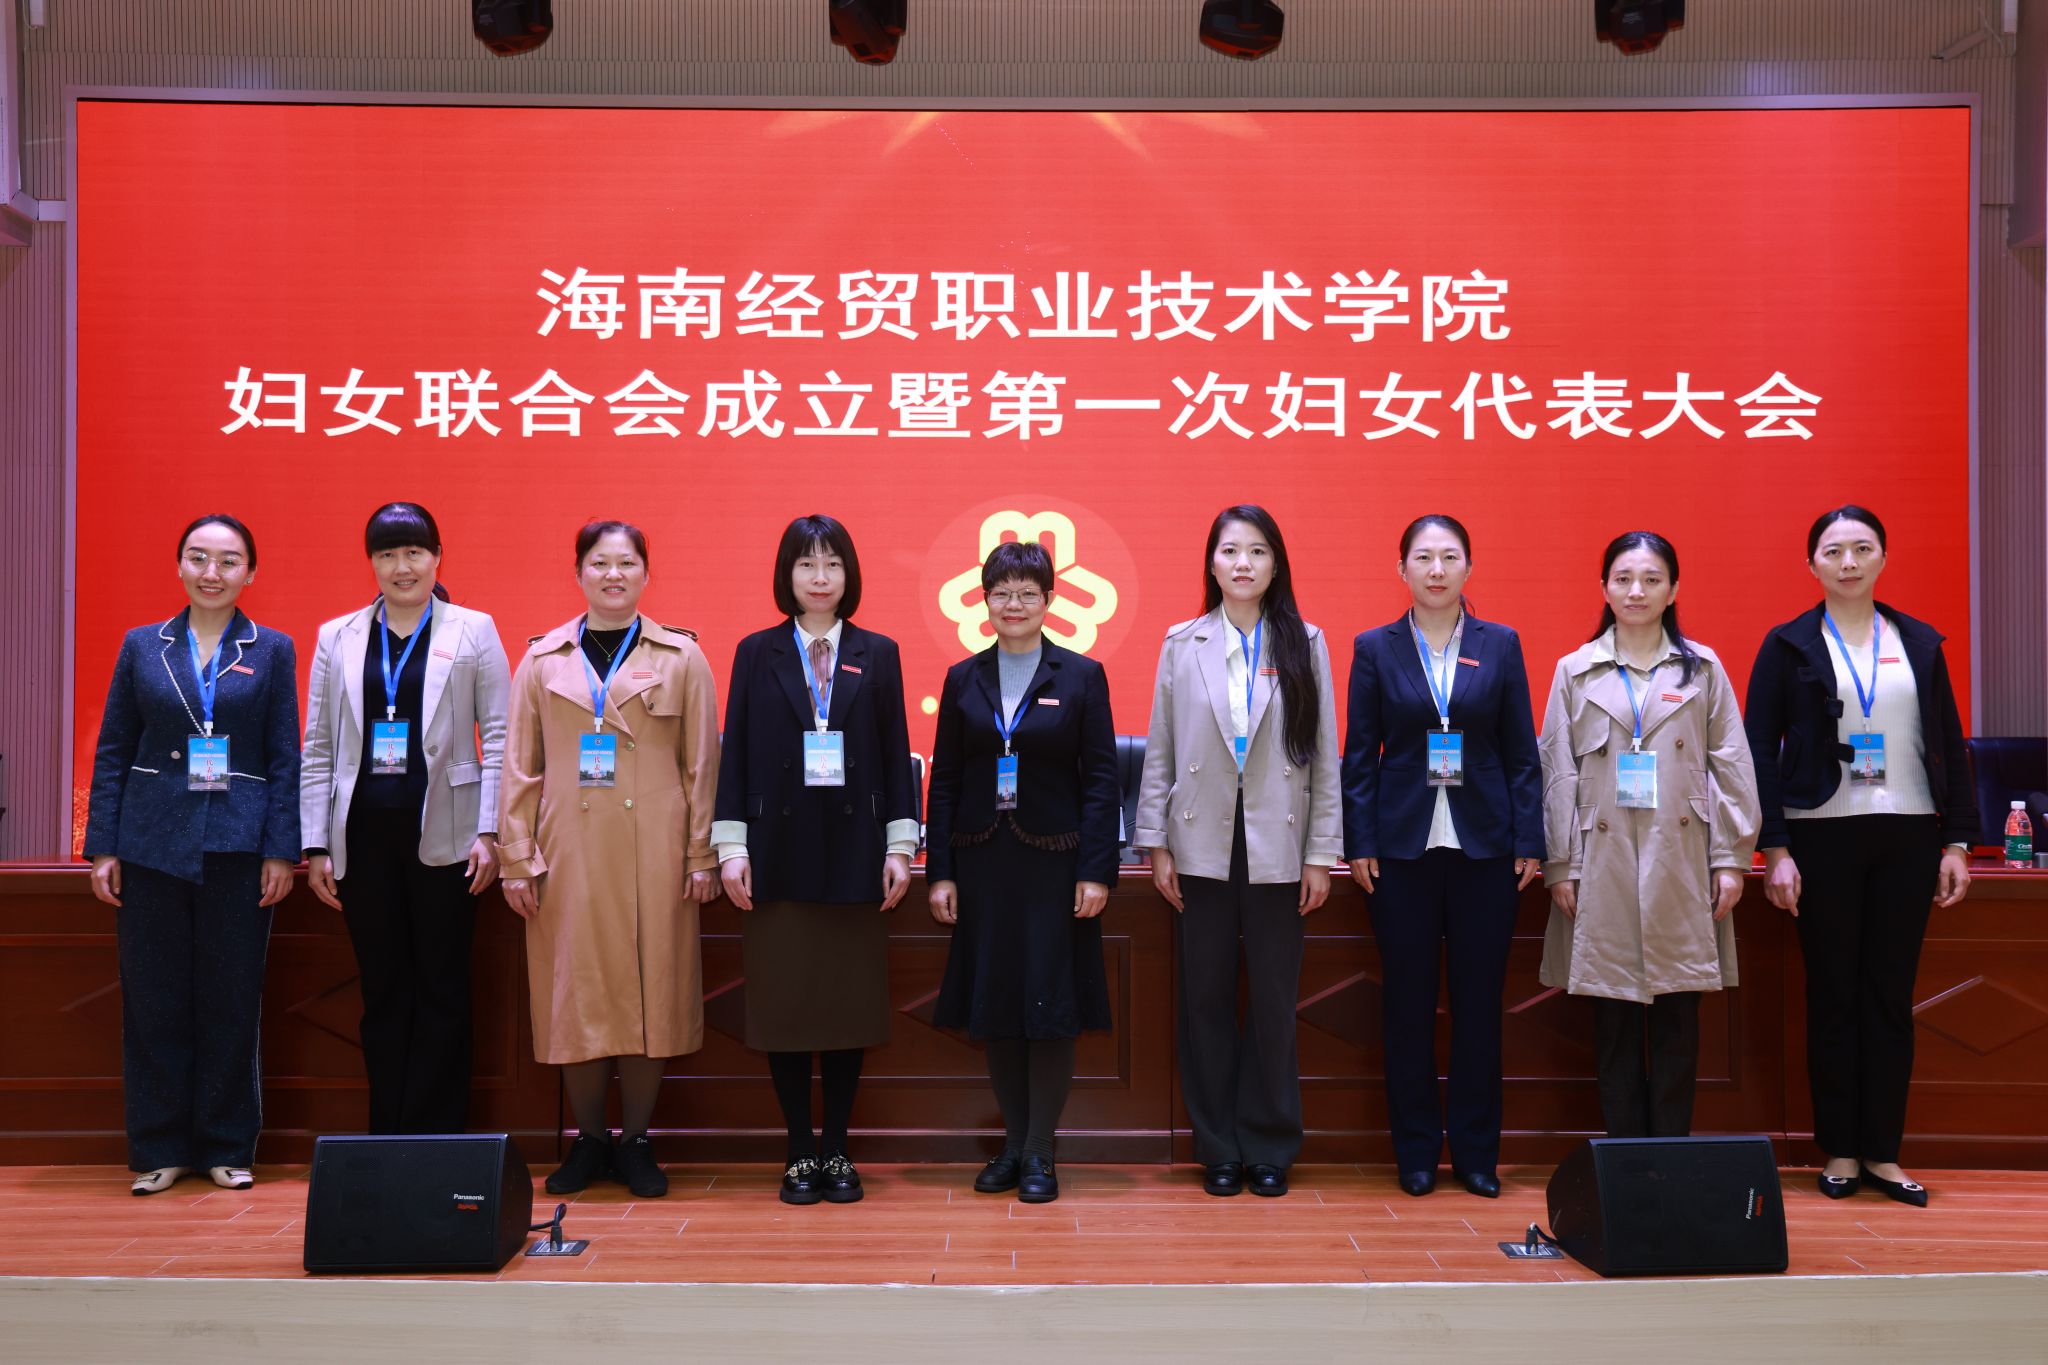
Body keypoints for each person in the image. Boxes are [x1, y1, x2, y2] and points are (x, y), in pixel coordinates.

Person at [1744, 506, 1975, 1207]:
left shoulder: (1917, 642)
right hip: (1821, 834)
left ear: (1883, 558)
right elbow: (1757, 750)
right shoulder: (1789, 644)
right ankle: (1840, 1148)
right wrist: (1775, 846)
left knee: (1889, 997)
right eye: (1833, 550)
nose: (1848, 562)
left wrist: (1957, 841)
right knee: (1834, 994)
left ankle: (1884, 1150)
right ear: (1811, 563)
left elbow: (1948, 740)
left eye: (1863, 548)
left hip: (1909, 831)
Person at [496, 521, 720, 1199]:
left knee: (653, 994)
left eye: (626, 563)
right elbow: (519, 767)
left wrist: (701, 852)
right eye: (599, 563)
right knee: (578, 995)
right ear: (579, 573)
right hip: (568, 852)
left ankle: (638, 1141)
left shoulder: (682, 656)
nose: (613, 575)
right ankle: (590, 1139)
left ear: (647, 573)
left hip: (657, 850)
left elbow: (702, 765)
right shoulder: (541, 660)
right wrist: (516, 856)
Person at [84, 514, 300, 1194]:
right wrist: (103, 846)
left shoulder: (272, 649)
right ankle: (160, 1146)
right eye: (199, 558)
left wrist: (281, 850)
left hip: (238, 844)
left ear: (250, 573)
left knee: (231, 1001)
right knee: (154, 1001)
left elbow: (284, 756)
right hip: (150, 843)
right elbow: (114, 748)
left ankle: (227, 1144)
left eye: (229, 561)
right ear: (179, 565)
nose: (212, 572)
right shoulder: (142, 645)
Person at [1133, 505, 1341, 1198]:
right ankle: (1217, 1146)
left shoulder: (1305, 642)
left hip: (1279, 843)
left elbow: (1324, 758)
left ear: (1276, 564)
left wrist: (1321, 853)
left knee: (1275, 1004)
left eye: (1257, 550)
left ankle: (1270, 1144)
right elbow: (1161, 750)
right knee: (1206, 1001)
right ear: (1212, 563)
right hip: (1201, 844)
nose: (1243, 563)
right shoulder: (1182, 641)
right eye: (1230, 550)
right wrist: (1155, 841)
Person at [713, 515, 918, 1205]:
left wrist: (899, 846)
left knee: (846, 1009)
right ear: (788, 575)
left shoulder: (878, 652)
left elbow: (894, 752)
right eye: (807, 564)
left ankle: (837, 1147)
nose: (821, 577)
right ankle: (799, 1149)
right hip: (777, 856)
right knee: (787, 1009)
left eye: (832, 564)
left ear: (849, 574)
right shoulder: (756, 651)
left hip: (855, 857)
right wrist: (732, 847)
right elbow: (736, 754)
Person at [1341, 515, 1544, 1198]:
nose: (1436, 570)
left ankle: (1478, 1154)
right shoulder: (1375, 648)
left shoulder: (1500, 643)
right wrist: (1360, 841)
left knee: (1479, 1007)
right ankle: (1417, 1153)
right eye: (1423, 558)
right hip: (1401, 851)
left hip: (1487, 849)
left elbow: (1522, 752)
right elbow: (1359, 756)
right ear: (1401, 568)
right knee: (1408, 1006)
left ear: (1468, 567)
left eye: (1449, 557)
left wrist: (1530, 840)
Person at [1537, 531, 1760, 1140]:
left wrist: (1731, 858)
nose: (1637, 591)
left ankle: (1672, 1160)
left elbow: (1732, 764)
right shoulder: (1575, 670)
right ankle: (1627, 1164)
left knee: (1677, 1019)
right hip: (1600, 860)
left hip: (1681, 859)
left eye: (1652, 579)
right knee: (1611, 1022)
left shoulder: (1702, 668)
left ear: (1673, 590)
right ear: (1604, 588)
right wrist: (1561, 864)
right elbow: (1557, 770)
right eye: (1624, 579)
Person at [299, 503, 512, 1135]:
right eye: (387, 554)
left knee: (443, 988)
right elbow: (318, 746)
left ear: (437, 557)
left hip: (450, 835)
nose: (402, 566)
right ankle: (386, 1136)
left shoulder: (473, 629)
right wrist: (316, 844)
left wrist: (490, 831)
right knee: (383, 989)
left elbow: (500, 737)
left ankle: (438, 1137)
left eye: (414, 552)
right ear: (371, 562)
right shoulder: (337, 636)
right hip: (362, 839)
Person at [926, 540, 1120, 1205]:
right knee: (999, 1003)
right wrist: (941, 872)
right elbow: (945, 782)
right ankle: (1013, 1144)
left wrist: (1097, 870)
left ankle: (1040, 1148)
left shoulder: (1082, 675)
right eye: (1001, 593)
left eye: (1027, 593)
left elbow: (1101, 780)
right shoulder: (963, 678)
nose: (1014, 604)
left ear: (1049, 600)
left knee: (1050, 1005)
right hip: (983, 862)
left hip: (1056, 867)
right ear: (984, 600)